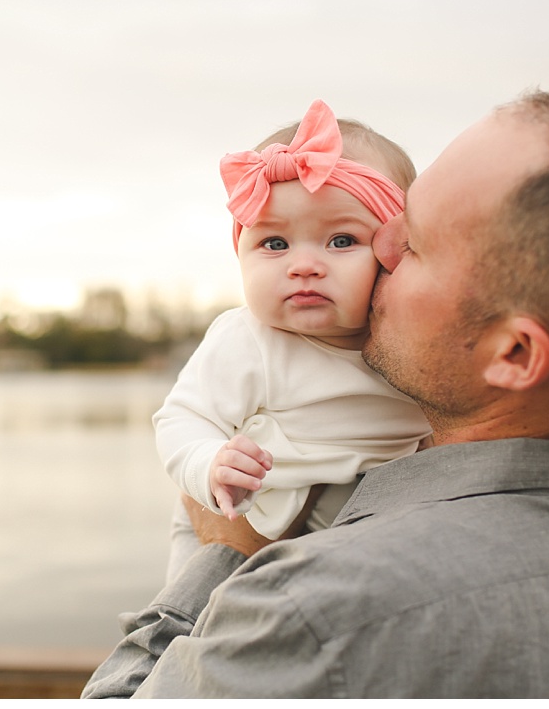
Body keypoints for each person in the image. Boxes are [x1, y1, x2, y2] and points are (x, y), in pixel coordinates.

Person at [82, 90, 549, 699]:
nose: (380, 248)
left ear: (513, 353)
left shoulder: (316, 606)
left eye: (412, 241)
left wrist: (222, 553)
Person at [155, 99, 430, 581]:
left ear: (398, 247)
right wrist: (209, 465)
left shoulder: (420, 341)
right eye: (274, 244)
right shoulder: (249, 341)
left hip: (354, 525)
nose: (303, 265)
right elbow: (182, 419)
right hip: (239, 511)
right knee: (194, 621)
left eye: (341, 240)